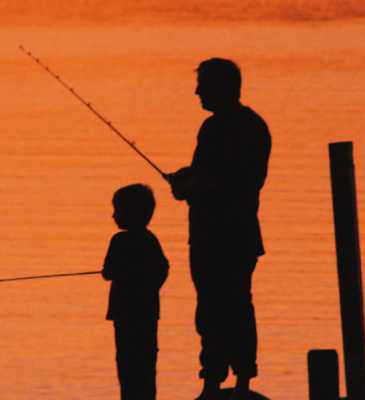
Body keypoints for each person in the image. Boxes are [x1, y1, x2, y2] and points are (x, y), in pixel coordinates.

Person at [168, 58, 271, 400]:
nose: (197, 92)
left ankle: (218, 381)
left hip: (222, 236)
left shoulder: (221, 129)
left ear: (223, 87)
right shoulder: (250, 125)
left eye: (203, 85)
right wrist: (188, 179)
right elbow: (214, 175)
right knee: (228, 305)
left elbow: (231, 181)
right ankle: (233, 379)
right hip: (232, 235)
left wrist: (190, 187)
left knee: (220, 307)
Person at [101, 184, 170, 400]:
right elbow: (163, 268)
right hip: (147, 314)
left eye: (117, 210)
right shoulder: (150, 240)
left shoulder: (119, 241)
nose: (113, 215)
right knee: (146, 363)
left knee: (126, 363)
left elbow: (107, 272)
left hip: (123, 314)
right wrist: (149, 288)